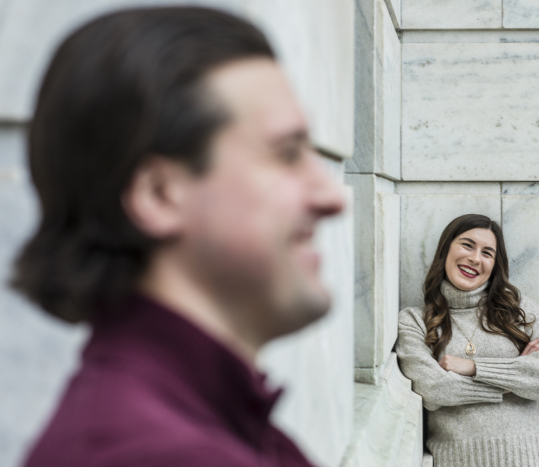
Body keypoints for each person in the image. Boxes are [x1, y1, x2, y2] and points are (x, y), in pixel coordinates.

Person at [11, 6, 344, 467]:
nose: (333, 196)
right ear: (159, 195)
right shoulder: (152, 453)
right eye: (287, 154)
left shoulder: (213, 424)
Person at [395, 214, 539, 467]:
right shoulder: (415, 320)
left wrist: (473, 368)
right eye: (467, 245)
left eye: (487, 253)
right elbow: (434, 389)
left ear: (495, 264)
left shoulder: (519, 310)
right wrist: (517, 379)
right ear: (446, 249)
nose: (475, 258)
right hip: (459, 459)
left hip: (532, 457)